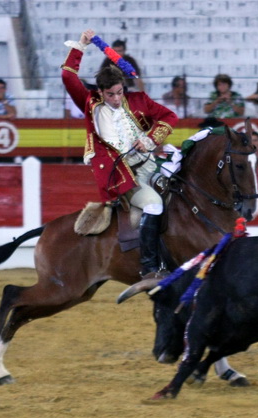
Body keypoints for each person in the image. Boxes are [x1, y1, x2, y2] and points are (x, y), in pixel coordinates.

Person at [62, 29, 178, 279]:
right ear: (101, 92)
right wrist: (80, 46)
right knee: (154, 205)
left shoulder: (139, 100)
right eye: (110, 94)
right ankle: (149, 266)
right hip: (125, 175)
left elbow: (170, 116)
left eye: (119, 92)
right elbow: (68, 76)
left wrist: (150, 139)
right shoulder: (89, 103)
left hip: (150, 162)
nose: (116, 99)